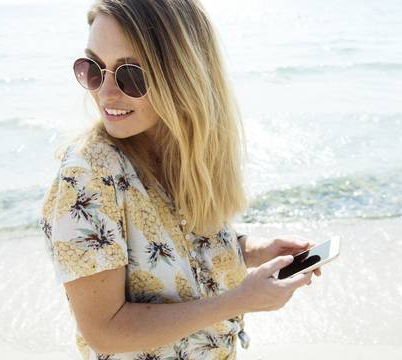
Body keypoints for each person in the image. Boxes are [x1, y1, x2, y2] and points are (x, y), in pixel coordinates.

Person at [39, 0, 322, 359]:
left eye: (131, 75)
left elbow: (176, 244)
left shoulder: (178, 152)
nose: (105, 93)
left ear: (183, 73)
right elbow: (104, 331)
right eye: (93, 69)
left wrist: (252, 251)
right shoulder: (87, 176)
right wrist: (239, 301)